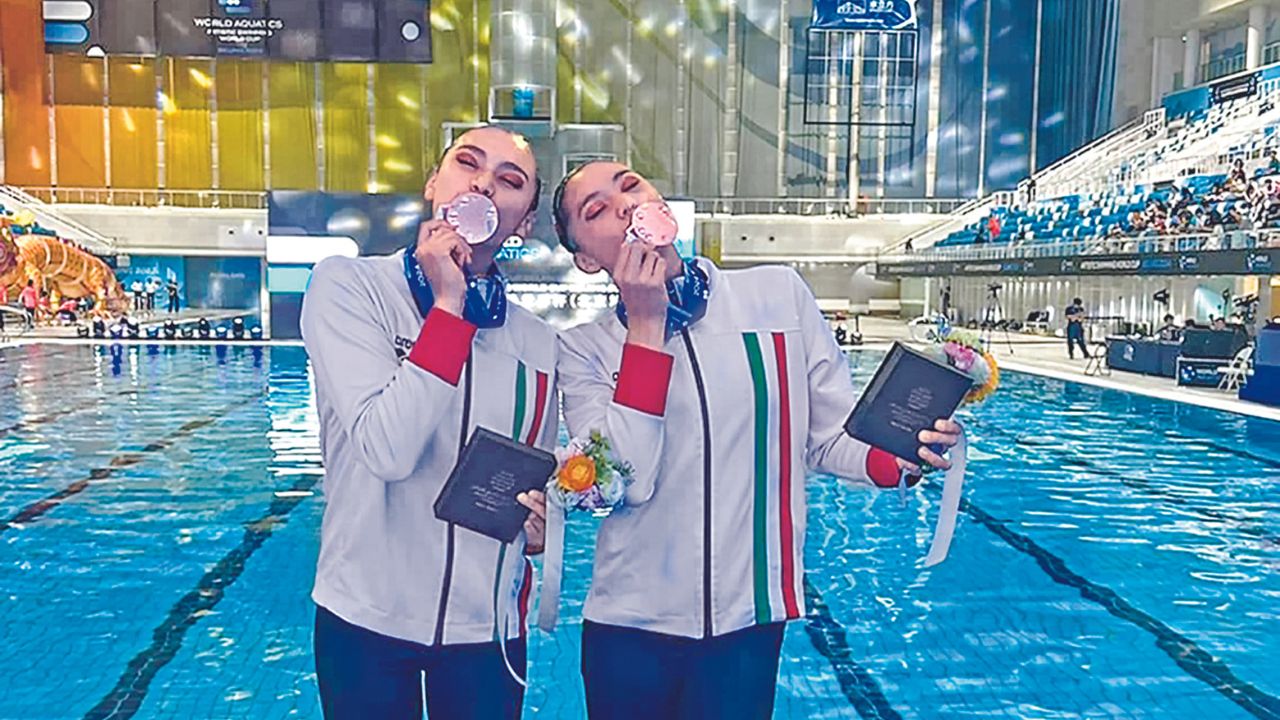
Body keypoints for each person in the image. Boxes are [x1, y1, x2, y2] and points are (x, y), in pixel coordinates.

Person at [550, 161, 962, 719]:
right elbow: (625, 478)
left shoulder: (776, 295)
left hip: (748, 623)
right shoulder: (583, 351)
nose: (622, 206)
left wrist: (902, 454)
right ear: (586, 259)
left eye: (631, 186)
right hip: (628, 627)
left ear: (661, 207)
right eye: (595, 210)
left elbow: (826, 437)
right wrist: (646, 329)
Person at [300, 125, 553, 720]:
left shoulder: (537, 344)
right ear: (435, 185)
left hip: (486, 630)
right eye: (468, 164)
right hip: (365, 619)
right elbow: (386, 450)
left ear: (523, 224)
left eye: (509, 181)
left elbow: (536, 476)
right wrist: (449, 308)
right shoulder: (349, 289)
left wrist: (544, 521)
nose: (485, 183)